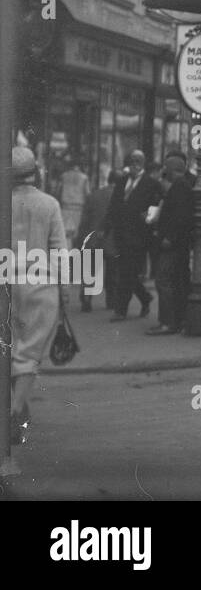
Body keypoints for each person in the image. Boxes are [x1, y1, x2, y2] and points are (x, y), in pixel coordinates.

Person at [10, 146, 67, 447]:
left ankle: (16, 411)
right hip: (40, 285)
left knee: (8, 349)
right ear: (36, 172)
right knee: (29, 353)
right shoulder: (49, 204)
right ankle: (13, 412)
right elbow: (59, 251)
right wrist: (64, 289)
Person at [105, 149, 163, 322]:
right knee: (127, 271)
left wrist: (149, 218)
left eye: (138, 161)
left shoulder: (151, 183)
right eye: (131, 160)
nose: (134, 164)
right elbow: (114, 205)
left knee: (126, 272)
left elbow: (156, 207)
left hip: (139, 236)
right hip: (121, 234)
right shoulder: (122, 181)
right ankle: (145, 298)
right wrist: (107, 227)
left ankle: (120, 310)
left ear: (143, 163)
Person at [147, 151, 194, 335]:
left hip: (172, 245)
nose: (164, 170)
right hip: (177, 244)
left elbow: (181, 216)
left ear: (173, 169)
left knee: (163, 281)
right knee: (172, 282)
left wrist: (169, 237)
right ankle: (175, 320)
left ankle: (167, 321)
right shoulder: (180, 185)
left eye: (166, 167)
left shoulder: (180, 187)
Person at [76, 170, 120, 311]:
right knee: (112, 272)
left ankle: (87, 299)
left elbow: (84, 221)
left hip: (93, 239)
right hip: (112, 241)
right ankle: (111, 300)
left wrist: (81, 239)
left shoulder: (93, 196)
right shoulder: (121, 197)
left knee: (90, 271)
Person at [57, 157, 89, 241]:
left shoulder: (63, 176)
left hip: (65, 207)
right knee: (76, 233)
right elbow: (87, 193)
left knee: (65, 234)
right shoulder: (84, 178)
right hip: (79, 208)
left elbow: (58, 191)